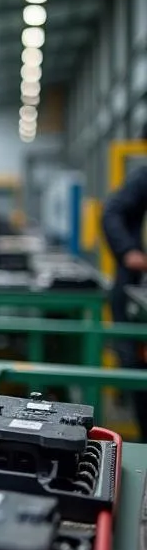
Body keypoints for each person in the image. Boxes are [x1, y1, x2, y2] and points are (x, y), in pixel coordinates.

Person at [101, 164, 147, 439]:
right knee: (135, 365)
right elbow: (112, 212)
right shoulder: (143, 177)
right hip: (135, 286)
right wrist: (129, 251)